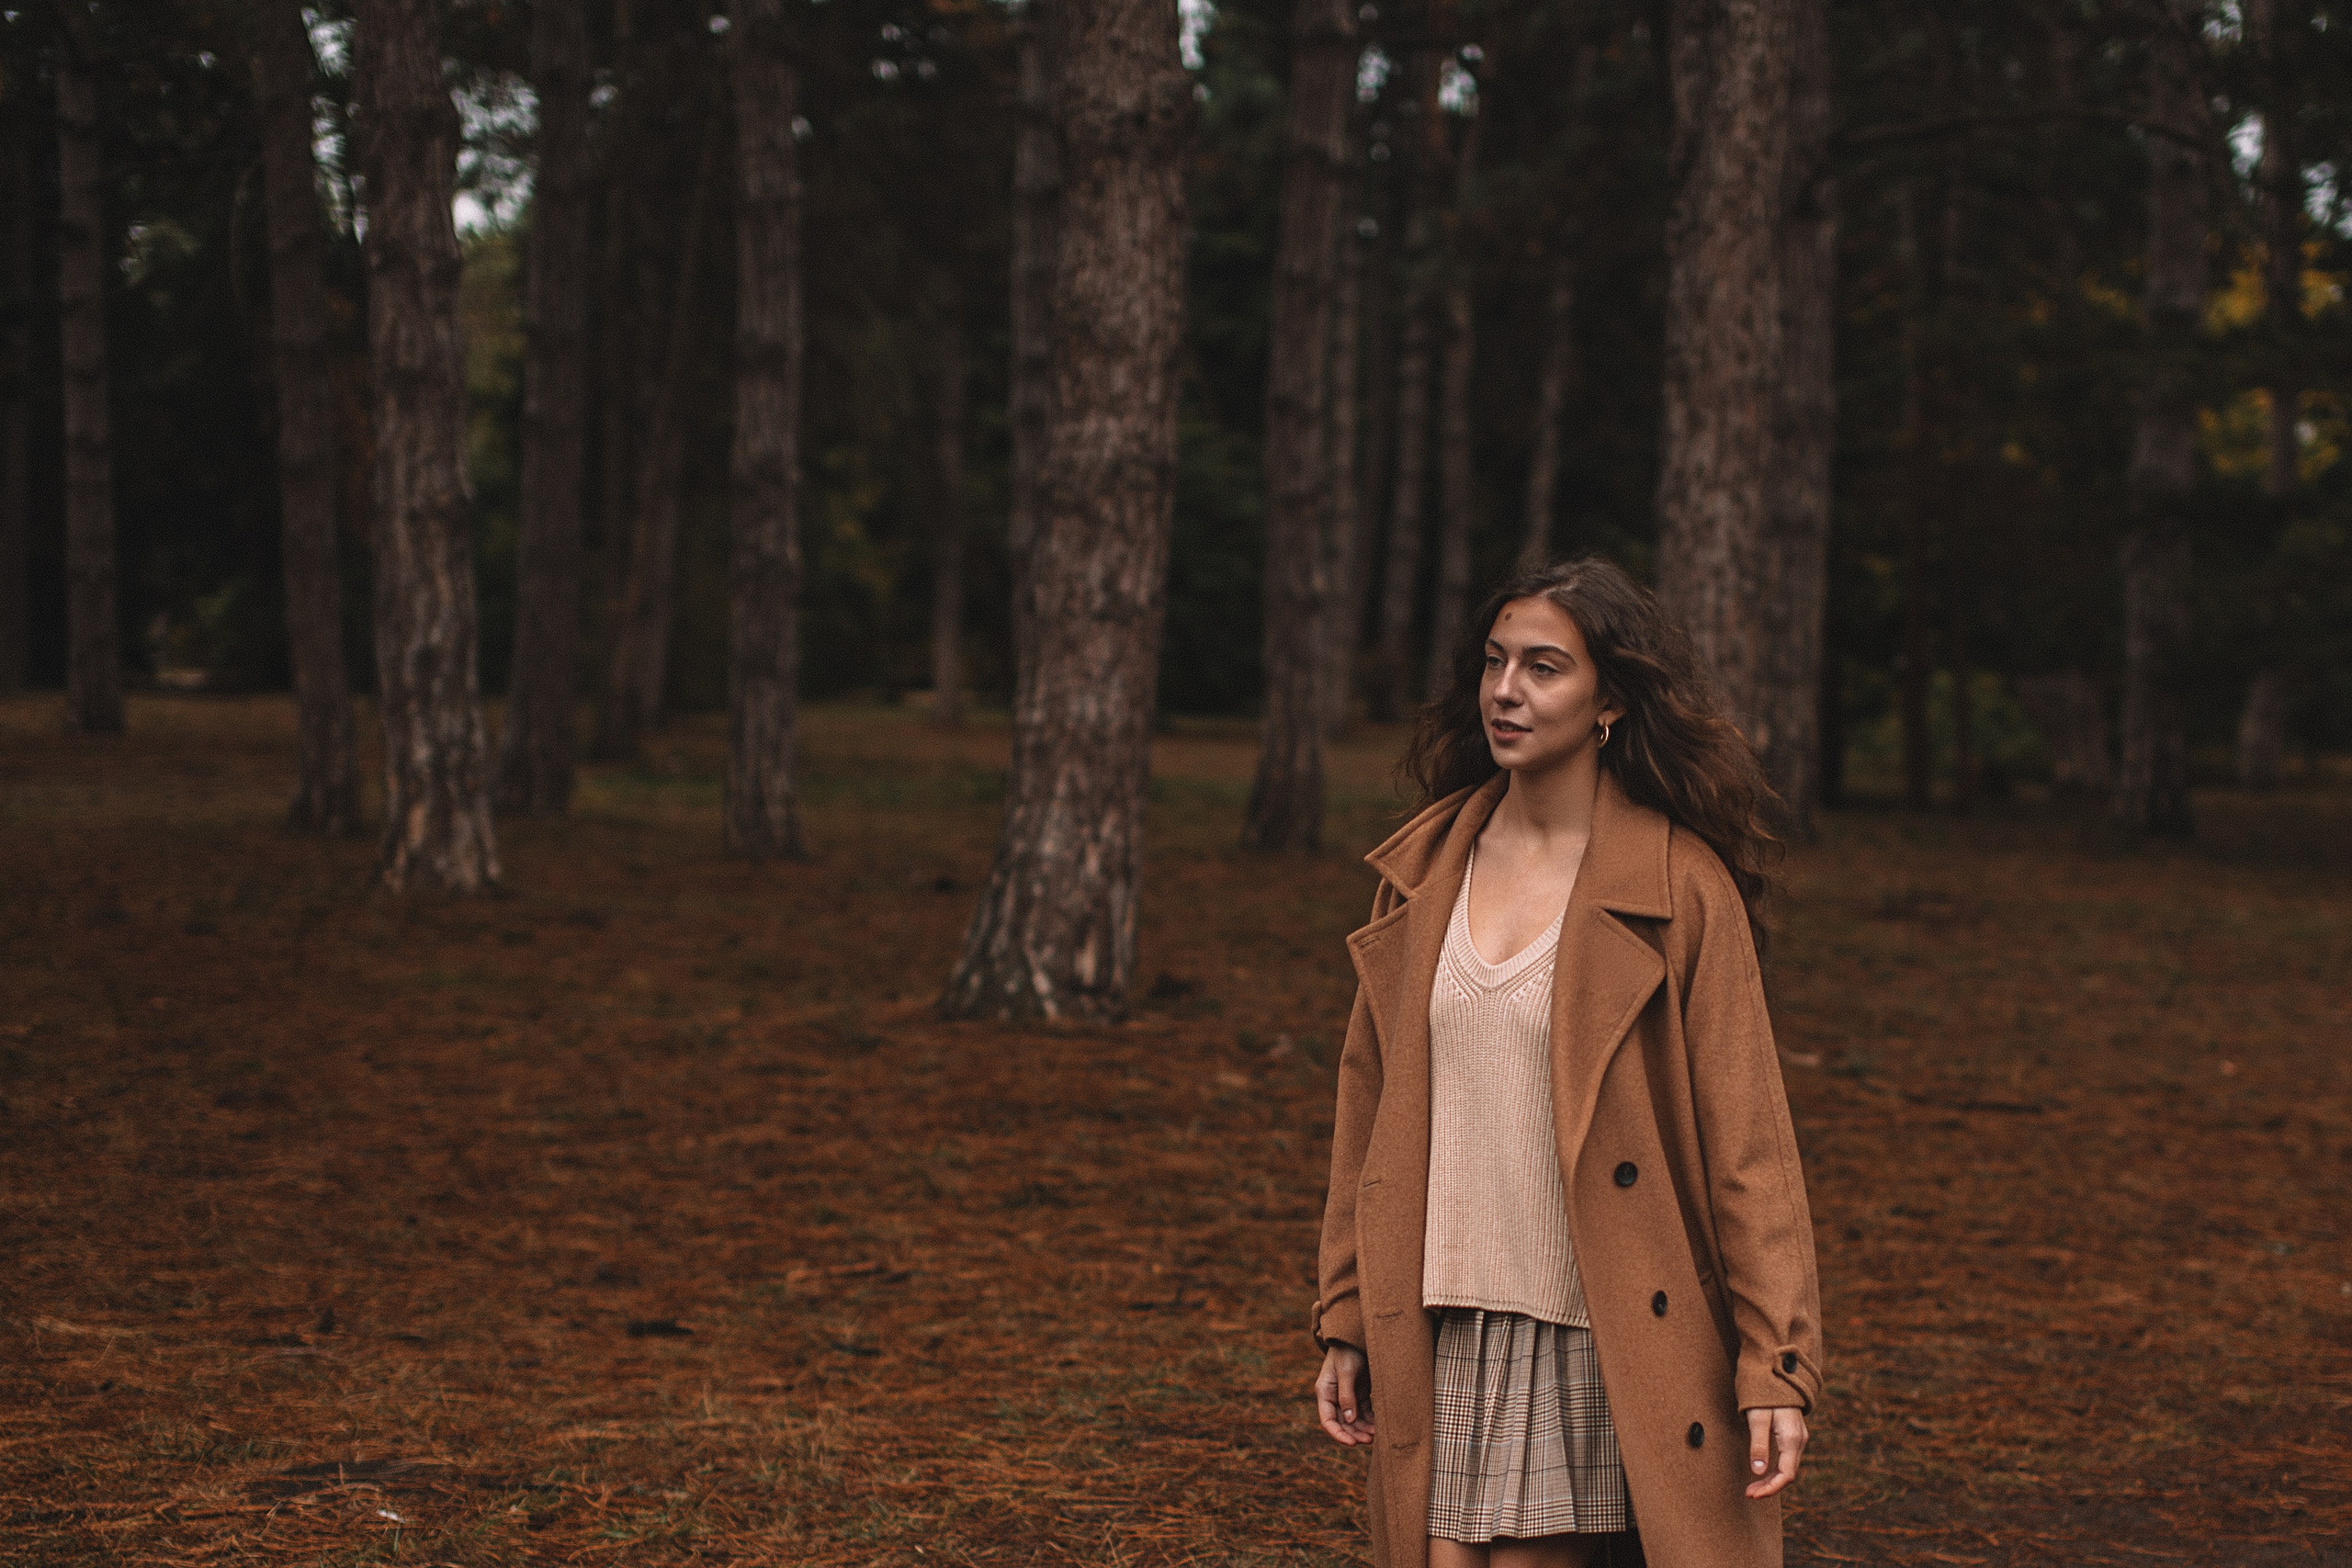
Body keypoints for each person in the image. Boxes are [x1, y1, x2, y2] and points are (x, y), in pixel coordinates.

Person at [1310, 558, 1824, 1568]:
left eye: (1544, 668)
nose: (1506, 690)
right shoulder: (1422, 874)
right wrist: (1345, 1311)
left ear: (1610, 702)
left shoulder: (1679, 888)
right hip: (1441, 1312)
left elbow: (1749, 1148)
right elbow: (1366, 1116)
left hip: (1595, 1318)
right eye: (1494, 662)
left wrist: (1778, 1360)